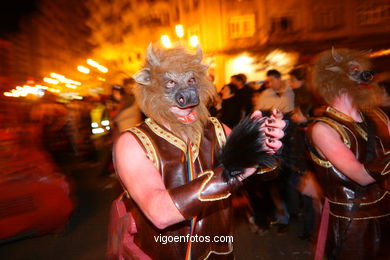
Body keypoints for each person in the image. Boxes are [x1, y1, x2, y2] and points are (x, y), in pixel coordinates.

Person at [107, 44, 286, 260]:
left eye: (191, 81)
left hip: (218, 253)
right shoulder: (133, 142)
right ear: (151, 88)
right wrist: (233, 172)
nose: (187, 97)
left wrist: (265, 147)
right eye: (170, 83)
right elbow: (160, 213)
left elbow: (263, 174)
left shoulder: (217, 129)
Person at [306, 48, 389, 260]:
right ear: (333, 79)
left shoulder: (377, 116)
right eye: (353, 70)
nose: (362, 76)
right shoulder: (322, 129)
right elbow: (361, 175)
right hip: (354, 225)